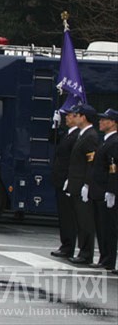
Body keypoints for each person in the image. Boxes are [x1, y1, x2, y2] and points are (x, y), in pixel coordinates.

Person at [65, 104, 99, 265]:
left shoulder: (90, 136)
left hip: (82, 184)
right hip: (75, 182)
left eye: (77, 115)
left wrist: (87, 184)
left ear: (83, 117)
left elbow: (91, 164)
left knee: (85, 221)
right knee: (80, 219)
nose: (74, 117)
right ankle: (82, 251)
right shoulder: (83, 135)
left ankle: (86, 254)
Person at [88, 108, 118, 270]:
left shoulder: (114, 142)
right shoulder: (106, 140)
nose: (100, 122)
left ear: (113, 123)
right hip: (99, 190)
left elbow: (114, 168)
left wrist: (112, 190)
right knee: (101, 227)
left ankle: (108, 260)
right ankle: (104, 258)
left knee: (108, 227)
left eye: (105, 119)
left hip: (105, 190)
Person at [49, 110, 79, 258]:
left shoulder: (76, 136)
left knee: (68, 216)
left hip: (67, 180)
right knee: (63, 215)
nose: (66, 118)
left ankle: (68, 246)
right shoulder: (68, 134)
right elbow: (52, 141)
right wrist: (55, 126)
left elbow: (74, 160)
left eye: (69, 116)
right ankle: (65, 244)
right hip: (60, 179)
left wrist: (70, 178)